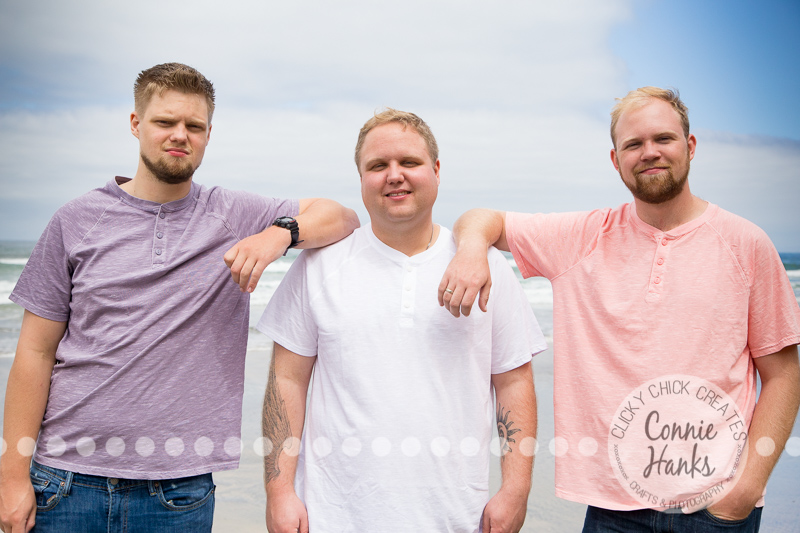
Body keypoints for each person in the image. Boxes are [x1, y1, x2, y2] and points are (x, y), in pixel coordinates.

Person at [0, 62, 359, 533]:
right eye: (165, 122)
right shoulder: (76, 220)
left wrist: (277, 235)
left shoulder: (232, 212)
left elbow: (343, 217)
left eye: (194, 126)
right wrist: (11, 478)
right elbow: (34, 351)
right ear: (136, 124)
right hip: (64, 481)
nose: (179, 135)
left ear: (209, 134)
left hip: (177, 489)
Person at [438, 87, 800, 532]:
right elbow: (481, 218)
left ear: (689, 146)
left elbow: (783, 374)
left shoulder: (747, 245)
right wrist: (472, 249)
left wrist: (745, 488)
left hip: (717, 510)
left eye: (662, 139)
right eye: (633, 144)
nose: (649, 153)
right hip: (611, 510)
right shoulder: (582, 237)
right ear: (616, 160)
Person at [257, 109, 546, 532]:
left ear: (436, 170)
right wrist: (279, 493)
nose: (394, 175)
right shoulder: (319, 265)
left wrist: (515, 491)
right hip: (333, 514)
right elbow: (287, 381)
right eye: (378, 166)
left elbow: (514, 381)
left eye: (409, 162)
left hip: (454, 515)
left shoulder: (485, 267)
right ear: (361, 179)